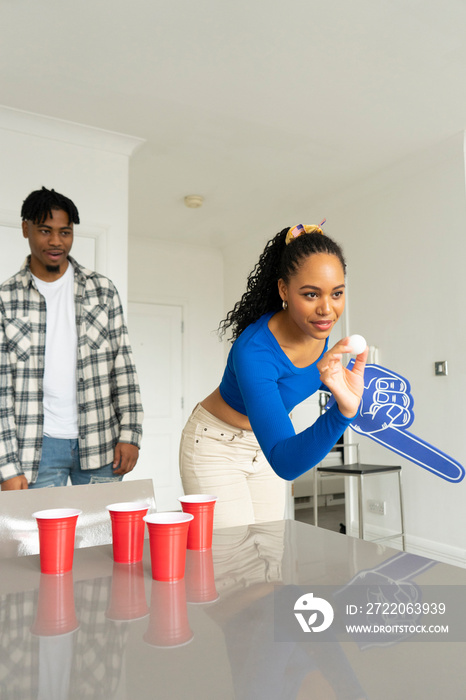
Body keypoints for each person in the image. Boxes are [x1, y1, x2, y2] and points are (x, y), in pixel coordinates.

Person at [180, 223, 367, 528]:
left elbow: (307, 381)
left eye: (337, 294)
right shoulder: (254, 352)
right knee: (233, 561)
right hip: (216, 446)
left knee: (266, 556)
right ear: (284, 290)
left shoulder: (318, 333)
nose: (327, 309)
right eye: (311, 294)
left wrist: (344, 387)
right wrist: (342, 413)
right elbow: (286, 462)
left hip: (265, 445)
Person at [0, 187, 143, 490]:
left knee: (102, 535)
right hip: (34, 451)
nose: (55, 241)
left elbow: (123, 367)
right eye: (45, 231)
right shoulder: (5, 298)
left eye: (64, 232)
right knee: (35, 538)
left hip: (101, 442)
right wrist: (7, 466)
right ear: (26, 228)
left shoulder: (102, 291)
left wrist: (130, 434)